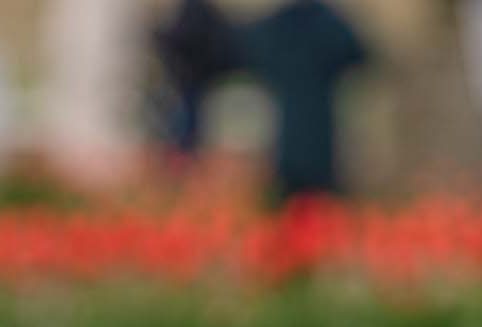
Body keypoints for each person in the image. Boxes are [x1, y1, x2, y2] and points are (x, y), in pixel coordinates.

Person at [238, 0, 371, 201]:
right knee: (322, 205)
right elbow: (357, 53)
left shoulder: (274, 26)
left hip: (285, 138)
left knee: (290, 204)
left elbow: (247, 52)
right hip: (320, 136)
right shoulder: (327, 22)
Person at [151, 0, 244, 162]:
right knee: (191, 122)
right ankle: (186, 158)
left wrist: (160, 36)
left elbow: (186, 38)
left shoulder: (195, 9)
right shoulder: (204, 9)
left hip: (192, 77)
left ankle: (185, 159)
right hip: (196, 76)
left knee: (188, 125)